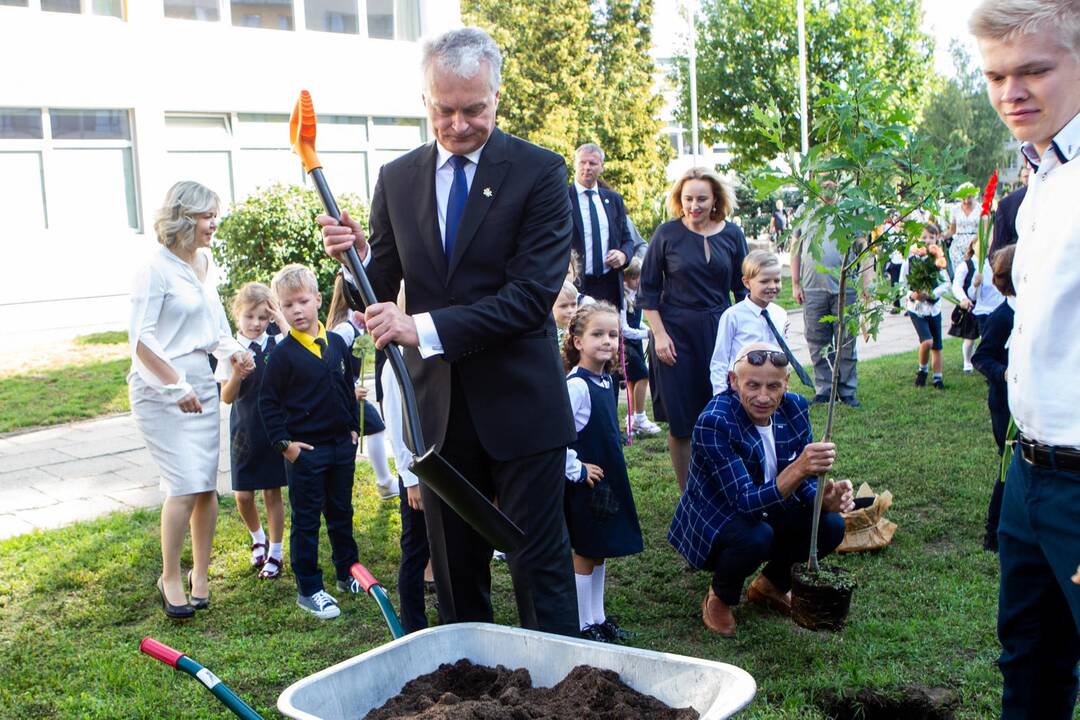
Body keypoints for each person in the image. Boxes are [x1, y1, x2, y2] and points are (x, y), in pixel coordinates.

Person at [320, 27, 578, 636]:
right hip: (438, 409)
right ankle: (470, 692)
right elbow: (378, 294)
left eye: (474, 109)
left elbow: (528, 299)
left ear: (497, 95)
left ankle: (566, 690)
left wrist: (421, 326)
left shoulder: (540, 173)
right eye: (444, 109)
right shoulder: (398, 177)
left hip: (521, 404)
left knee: (539, 568)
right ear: (425, 100)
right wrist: (353, 259)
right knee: (455, 576)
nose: (458, 124)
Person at [970, 1, 1080, 716]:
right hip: (1029, 471)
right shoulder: (1044, 174)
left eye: (1034, 70)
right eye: (996, 75)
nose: (1011, 91)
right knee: (1028, 666)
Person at [668, 342, 855, 637]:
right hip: (718, 522)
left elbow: (802, 484)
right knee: (757, 536)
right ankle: (719, 596)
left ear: (786, 383)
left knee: (831, 525)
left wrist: (825, 500)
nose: (764, 397)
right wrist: (799, 468)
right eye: (752, 385)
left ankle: (771, 586)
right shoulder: (714, 422)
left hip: (769, 509)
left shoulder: (794, 408)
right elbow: (744, 501)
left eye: (773, 386)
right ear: (733, 380)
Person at [128, 180, 253, 618]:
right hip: (161, 389)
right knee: (183, 484)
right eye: (205, 216)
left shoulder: (204, 261)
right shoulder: (155, 269)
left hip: (201, 381)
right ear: (183, 218)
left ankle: (201, 573)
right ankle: (170, 576)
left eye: (215, 215)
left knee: (206, 488)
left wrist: (235, 351)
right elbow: (140, 341)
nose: (213, 223)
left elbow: (214, 326)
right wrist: (175, 386)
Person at [260, 264, 361, 620]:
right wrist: (284, 444)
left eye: (303, 301)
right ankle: (309, 588)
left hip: (340, 447)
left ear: (318, 299)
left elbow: (346, 383)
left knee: (341, 514)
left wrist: (352, 427)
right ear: (280, 309)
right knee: (306, 521)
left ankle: (348, 571)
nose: (297, 311)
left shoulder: (334, 343)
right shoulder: (283, 355)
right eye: (288, 306)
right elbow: (267, 403)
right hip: (306, 453)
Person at [639, 167, 748, 491]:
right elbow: (647, 291)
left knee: (723, 414)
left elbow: (742, 290)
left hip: (720, 332)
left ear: (715, 199)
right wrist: (659, 335)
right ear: (679, 199)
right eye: (688, 198)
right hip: (674, 337)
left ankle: (723, 485)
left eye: (701, 198)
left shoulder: (732, 235)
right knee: (682, 422)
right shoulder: (666, 234)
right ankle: (689, 493)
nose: (694, 205)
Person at [561, 302, 644, 643]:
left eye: (613, 334)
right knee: (587, 548)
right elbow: (556, 435)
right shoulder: (576, 385)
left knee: (601, 547)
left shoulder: (607, 381)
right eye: (597, 334)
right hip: (586, 483)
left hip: (607, 480)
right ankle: (583, 624)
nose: (607, 341)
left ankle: (599, 617)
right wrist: (576, 469)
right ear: (578, 341)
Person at [217, 282, 287, 580]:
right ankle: (257, 535)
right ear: (237, 316)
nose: (256, 323)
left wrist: (280, 317)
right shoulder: (229, 352)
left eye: (263, 317)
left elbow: (296, 340)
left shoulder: (277, 344)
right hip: (244, 430)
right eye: (250, 317)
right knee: (243, 494)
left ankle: (276, 551)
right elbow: (226, 397)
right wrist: (237, 374)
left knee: (273, 491)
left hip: (273, 428)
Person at [790, 179, 868, 407]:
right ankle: (824, 389)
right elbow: (795, 248)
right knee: (816, 340)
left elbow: (864, 248)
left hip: (846, 288)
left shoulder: (850, 209)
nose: (828, 183)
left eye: (832, 178)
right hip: (813, 288)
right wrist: (795, 283)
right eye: (823, 178)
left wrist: (866, 283)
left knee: (846, 341)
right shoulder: (805, 211)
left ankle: (847, 390)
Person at [326, 273, 398, 501]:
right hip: (343, 397)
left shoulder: (355, 326)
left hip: (348, 393)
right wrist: (351, 388)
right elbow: (332, 364)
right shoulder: (345, 329)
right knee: (375, 426)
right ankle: (384, 482)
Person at [709, 250, 809, 396]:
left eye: (777, 280)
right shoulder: (732, 316)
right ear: (747, 282)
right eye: (764, 281)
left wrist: (783, 380)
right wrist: (720, 394)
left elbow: (782, 351)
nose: (772, 286)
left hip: (772, 385)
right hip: (741, 386)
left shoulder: (780, 314)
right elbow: (720, 360)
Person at [972, 245, 1017, 552]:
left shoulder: (1031, 311)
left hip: (1024, 403)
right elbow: (981, 357)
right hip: (1004, 404)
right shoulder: (1002, 317)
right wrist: (1005, 373)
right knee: (1009, 463)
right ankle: (993, 533)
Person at [569, 144, 634, 309]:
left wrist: (623, 255)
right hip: (577, 285)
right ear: (575, 164)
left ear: (602, 167)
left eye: (592, 163)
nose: (587, 167)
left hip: (609, 285)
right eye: (582, 162)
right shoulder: (563, 198)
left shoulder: (614, 200)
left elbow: (627, 240)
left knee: (610, 333)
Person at [900, 225, 952, 390]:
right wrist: (911, 295)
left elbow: (945, 284)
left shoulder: (939, 261)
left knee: (937, 344)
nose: (927, 240)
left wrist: (932, 294)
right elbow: (902, 284)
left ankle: (938, 378)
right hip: (917, 308)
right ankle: (922, 370)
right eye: (923, 237)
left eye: (931, 237)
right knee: (927, 341)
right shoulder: (910, 260)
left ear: (937, 238)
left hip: (933, 307)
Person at [621, 258, 660, 436]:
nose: (638, 282)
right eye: (635, 278)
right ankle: (640, 417)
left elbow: (638, 322)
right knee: (643, 377)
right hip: (626, 344)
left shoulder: (638, 296)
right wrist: (647, 334)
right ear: (626, 278)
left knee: (633, 381)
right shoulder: (623, 298)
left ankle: (633, 418)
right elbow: (624, 329)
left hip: (635, 342)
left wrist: (650, 329)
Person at [990, 164, 1028, 257]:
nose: (1028, 178)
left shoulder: (1007, 202)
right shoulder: (1008, 202)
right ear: (1021, 178)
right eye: (1026, 176)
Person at [944, 187, 980, 279]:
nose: (966, 201)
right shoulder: (955, 209)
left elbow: (984, 230)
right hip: (958, 244)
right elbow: (952, 230)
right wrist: (940, 236)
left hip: (974, 244)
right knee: (959, 274)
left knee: (973, 272)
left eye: (969, 198)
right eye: (964, 198)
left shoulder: (980, 208)